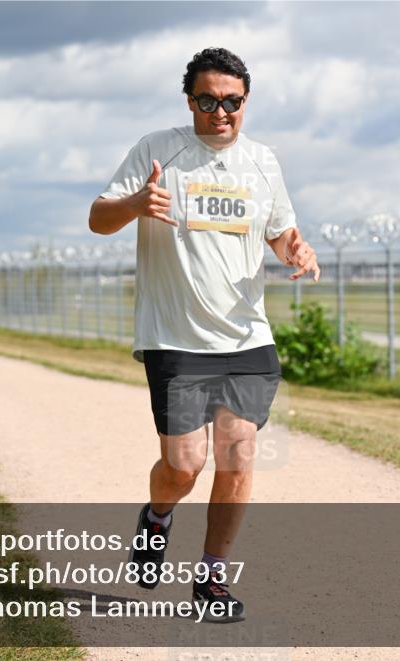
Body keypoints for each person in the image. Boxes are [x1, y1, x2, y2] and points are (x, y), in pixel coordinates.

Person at [89, 47, 320, 623]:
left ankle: (211, 579)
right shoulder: (157, 149)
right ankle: (158, 517)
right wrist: (137, 203)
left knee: (238, 459)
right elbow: (98, 216)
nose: (221, 112)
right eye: (208, 100)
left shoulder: (263, 162)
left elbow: (280, 230)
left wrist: (296, 247)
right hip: (176, 339)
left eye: (232, 102)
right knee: (184, 467)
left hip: (247, 337)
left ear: (246, 102)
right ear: (189, 99)